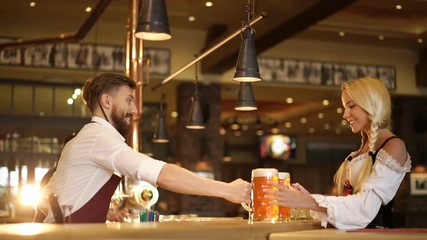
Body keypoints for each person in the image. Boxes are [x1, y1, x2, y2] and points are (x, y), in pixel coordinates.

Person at [41, 73, 251, 223]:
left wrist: (102, 215)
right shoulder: (98, 137)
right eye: (129, 100)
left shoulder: (84, 138)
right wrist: (227, 190)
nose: (134, 110)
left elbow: (45, 203)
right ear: (106, 101)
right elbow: (162, 175)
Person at [265, 77, 411, 229]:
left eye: (351, 106)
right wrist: (307, 198)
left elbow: (365, 209)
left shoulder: (395, 146)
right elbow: (348, 206)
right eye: (344, 107)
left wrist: (308, 201)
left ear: (372, 104)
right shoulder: (363, 149)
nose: (345, 114)